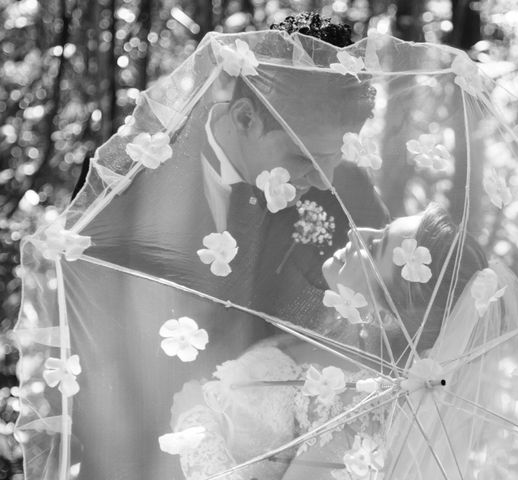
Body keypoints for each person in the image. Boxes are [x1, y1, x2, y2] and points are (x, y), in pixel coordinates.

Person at [70, 15, 387, 480]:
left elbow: (385, 318)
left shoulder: (347, 190)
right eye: (303, 157)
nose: (323, 178)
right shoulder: (125, 181)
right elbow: (94, 357)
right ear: (244, 116)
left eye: (334, 156)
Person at [167, 203, 495, 480]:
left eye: (377, 244)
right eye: (379, 229)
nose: (356, 232)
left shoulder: (359, 417)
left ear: (388, 311)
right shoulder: (329, 328)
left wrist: (194, 427)